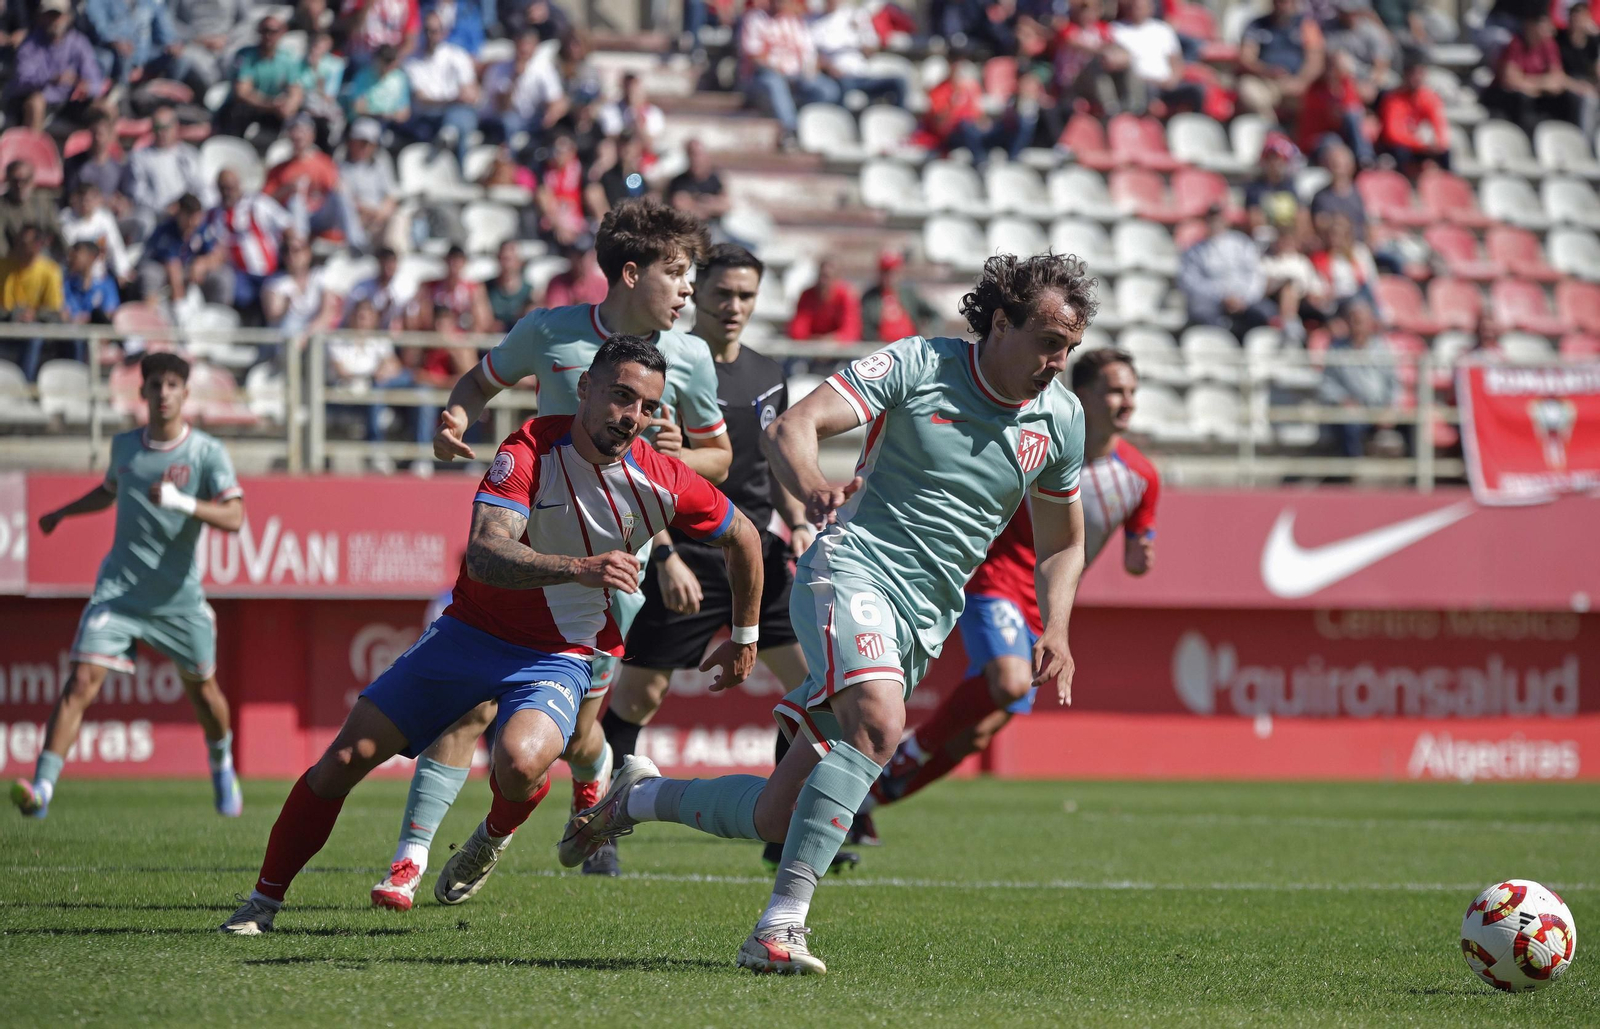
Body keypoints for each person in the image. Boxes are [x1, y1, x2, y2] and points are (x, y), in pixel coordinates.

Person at [559, 252, 1094, 975]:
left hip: (923, 618)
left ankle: (637, 798)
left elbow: (1064, 540)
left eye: (1071, 348)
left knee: (778, 813)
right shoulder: (921, 362)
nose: (1060, 362)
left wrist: (1056, 625)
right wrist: (812, 486)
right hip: (852, 568)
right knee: (879, 722)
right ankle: (779, 927)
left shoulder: (1061, 417)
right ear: (1002, 323)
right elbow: (796, 427)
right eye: (1050, 342)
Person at [222, 336, 764, 934]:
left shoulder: (663, 477)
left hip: (561, 652)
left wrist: (744, 636)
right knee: (345, 759)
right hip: (471, 632)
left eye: (646, 406)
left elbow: (745, 538)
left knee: (521, 761)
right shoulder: (530, 445)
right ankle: (263, 902)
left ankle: (490, 837)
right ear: (586, 389)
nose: (631, 415)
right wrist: (580, 569)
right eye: (620, 396)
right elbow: (485, 552)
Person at [366, 199, 733, 912]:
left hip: (605, 579)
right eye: (679, 274)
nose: (691, 291)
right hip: (520, 553)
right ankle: (410, 857)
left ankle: (592, 784)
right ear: (631, 273)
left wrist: (687, 456)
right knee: (467, 706)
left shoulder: (686, 358)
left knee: (578, 731)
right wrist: (454, 418)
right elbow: (478, 381)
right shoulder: (550, 332)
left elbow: (718, 456)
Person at [591, 243, 859, 878]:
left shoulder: (767, 372)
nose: (734, 306)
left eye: (746, 295)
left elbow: (773, 458)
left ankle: (784, 827)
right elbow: (639, 467)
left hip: (759, 550)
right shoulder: (667, 368)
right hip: (687, 547)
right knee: (639, 698)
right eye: (721, 294)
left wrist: (795, 524)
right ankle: (599, 821)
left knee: (812, 692)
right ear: (696, 296)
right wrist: (662, 555)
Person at [849, 347, 1157, 845]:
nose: (1126, 402)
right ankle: (895, 758)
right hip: (994, 579)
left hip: (1042, 605)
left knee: (978, 731)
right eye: (1114, 391)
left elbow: (1137, 546)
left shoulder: (1142, 477)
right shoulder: (1042, 442)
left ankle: (864, 804)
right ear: (1084, 396)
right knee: (1010, 682)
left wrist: (1141, 558)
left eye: (1131, 392)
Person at [15, 353, 245, 821]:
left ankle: (222, 764)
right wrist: (62, 512)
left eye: (173, 384)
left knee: (204, 695)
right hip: (118, 593)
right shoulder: (124, 448)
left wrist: (183, 501)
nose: (163, 393)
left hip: (178, 600)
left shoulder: (205, 452)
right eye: (155, 384)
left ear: (185, 393)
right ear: (142, 393)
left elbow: (235, 516)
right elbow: (110, 489)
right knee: (80, 682)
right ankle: (41, 790)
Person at [740, 0, 843, 147]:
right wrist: (779, 70)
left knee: (828, 90)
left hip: (796, 77)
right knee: (774, 83)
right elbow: (754, 56)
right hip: (764, 76)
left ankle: (798, 116)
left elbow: (809, 54)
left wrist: (810, 70)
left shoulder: (795, 21)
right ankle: (791, 130)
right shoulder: (756, 18)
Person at [264, 113, 365, 250]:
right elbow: (263, 202)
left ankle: (357, 244)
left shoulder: (323, 162)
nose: (299, 136)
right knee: (295, 200)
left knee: (342, 194)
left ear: (312, 135)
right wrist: (286, 190)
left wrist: (339, 187)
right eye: (295, 131)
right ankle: (299, 248)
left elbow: (336, 189)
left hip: (321, 215)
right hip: (293, 218)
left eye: (303, 131)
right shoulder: (279, 169)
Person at [7, 0, 107, 135]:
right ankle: (34, 151)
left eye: (57, 15)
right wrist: (51, 79)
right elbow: (21, 79)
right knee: (36, 103)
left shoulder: (79, 43)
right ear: (41, 17)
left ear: (68, 17)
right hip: (43, 102)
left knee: (106, 109)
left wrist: (85, 86)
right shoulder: (30, 45)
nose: (54, 21)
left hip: (70, 103)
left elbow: (96, 81)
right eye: (49, 15)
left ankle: (104, 155)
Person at [206, 168, 294, 317]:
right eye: (223, 188)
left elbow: (287, 226)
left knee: (275, 299)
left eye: (230, 187)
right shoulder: (214, 215)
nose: (227, 192)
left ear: (238, 185)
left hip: (268, 273)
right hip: (240, 276)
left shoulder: (258, 203)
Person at [1177, 204, 1274, 339]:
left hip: (1244, 300)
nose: (1215, 223)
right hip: (1213, 303)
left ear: (1226, 220)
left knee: (1267, 312)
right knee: (1200, 313)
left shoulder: (1242, 243)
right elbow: (1190, 283)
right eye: (1212, 219)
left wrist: (1244, 299)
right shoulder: (1194, 251)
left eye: (1219, 219)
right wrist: (1222, 296)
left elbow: (1256, 275)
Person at [1318, 298, 1400, 458]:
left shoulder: (1382, 348)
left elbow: (1394, 383)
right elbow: (1326, 384)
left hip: (1380, 410)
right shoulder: (1335, 349)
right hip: (1352, 412)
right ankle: (1354, 474)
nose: (1358, 325)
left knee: (1415, 424)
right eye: (1354, 320)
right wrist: (1343, 399)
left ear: (1370, 322)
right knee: (1348, 426)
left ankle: (1418, 478)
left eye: (1361, 321)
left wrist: (1390, 408)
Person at [1482, 13, 1585, 135]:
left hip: (1536, 94)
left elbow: (1556, 80)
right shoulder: (1515, 44)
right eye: (1544, 25)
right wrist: (1541, 83)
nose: (1550, 29)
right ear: (1530, 26)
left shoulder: (1549, 45)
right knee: (1523, 99)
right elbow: (1511, 81)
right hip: (1507, 97)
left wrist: (1532, 84)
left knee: (1569, 99)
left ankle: (1571, 137)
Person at [402, 10, 480, 163]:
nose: (430, 36)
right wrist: (452, 99)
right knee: (458, 119)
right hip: (426, 117)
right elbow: (421, 98)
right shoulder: (411, 62)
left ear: (444, 33)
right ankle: (453, 148)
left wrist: (459, 98)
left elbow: (470, 91)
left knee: (461, 117)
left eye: (435, 31)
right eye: (427, 31)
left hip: (455, 111)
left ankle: (451, 140)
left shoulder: (457, 55)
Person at [122, 106, 209, 241]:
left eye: (165, 128)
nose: (161, 133)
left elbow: (202, 187)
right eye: (157, 128)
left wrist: (189, 209)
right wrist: (164, 209)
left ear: (176, 127)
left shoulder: (189, 155)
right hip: (158, 219)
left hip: (189, 218)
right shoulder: (139, 157)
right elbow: (138, 194)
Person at [220, 16, 306, 145]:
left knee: (302, 119)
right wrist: (270, 104)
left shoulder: (287, 58)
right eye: (265, 31)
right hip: (250, 108)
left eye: (274, 31)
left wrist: (289, 106)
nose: (268, 35)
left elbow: (296, 90)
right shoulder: (246, 56)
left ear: (282, 33)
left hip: (273, 109)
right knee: (239, 111)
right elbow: (242, 93)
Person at [809, 0, 909, 108]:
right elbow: (813, 55)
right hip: (839, 78)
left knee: (899, 83)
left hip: (862, 75)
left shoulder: (853, 16)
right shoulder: (813, 22)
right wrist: (830, 67)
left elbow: (871, 50)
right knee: (841, 89)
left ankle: (900, 122)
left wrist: (861, 31)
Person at [1236, 0, 1326, 119]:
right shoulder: (1257, 25)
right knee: (1248, 90)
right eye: (1278, 1)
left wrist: (1301, 81)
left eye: (1285, 1)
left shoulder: (1307, 24)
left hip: (1296, 82)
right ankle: (1272, 129)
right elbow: (1246, 59)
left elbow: (1315, 60)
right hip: (1265, 81)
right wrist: (1266, 71)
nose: (1281, 4)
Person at [137, 193, 231, 307]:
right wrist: (180, 306)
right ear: (180, 214)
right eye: (189, 217)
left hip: (188, 270)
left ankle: (219, 317)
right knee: (150, 275)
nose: (192, 222)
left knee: (223, 275)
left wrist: (203, 263)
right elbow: (172, 268)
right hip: (163, 270)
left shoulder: (201, 228)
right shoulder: (165, 231)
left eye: (196, 217)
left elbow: (217, 255)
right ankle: (149, 315)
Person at [1112, 0, 1205, 113]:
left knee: (1197, 91)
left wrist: (1173, 80)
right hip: (1141, 85)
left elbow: (1176, 60)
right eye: (1134, 7)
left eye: (1141, 7)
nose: (1137, 10)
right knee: (1146, 92)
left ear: (1150, 9)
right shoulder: (1116, 30)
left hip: (1167, 85)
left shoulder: (1163, 29)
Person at [478, 27, 565, 147]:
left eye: (528, 44)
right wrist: (515, 78)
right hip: (500, 120)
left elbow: (556, 101)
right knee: (509, 122)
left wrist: (550, 117)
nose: (524, 49)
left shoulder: (544, 69)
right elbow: (502, 107)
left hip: (534, 119)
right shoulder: (500, 69)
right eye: (521, 44)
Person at [0, 224, 66, 378]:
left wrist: (34, 314)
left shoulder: (51, 270)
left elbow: (54, 310)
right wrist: (15, 314)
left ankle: (25, 388)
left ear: (38, 245)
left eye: (24, 243)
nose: (19, 247)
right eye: (18, 242)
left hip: (37, 329)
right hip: (6, 323)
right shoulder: (2, 266)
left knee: (34, 336)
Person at [1377, 49, 1451, 175]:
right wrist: (1421, 145)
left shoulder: (1429, 97)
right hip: (1401, 147)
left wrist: (1438, 144)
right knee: (1400, 152)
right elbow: (1393, 134)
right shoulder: (1393, 99)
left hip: (1420, 146)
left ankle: (1448, 187)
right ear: (1406, 75)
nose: (1417, 78)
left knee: (1446, 154)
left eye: (1420, 73)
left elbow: (1439, 125)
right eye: (1414, 74)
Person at [262, 231, 337, 334]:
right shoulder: (275, 282)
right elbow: (273, 315)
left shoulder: (321, 276)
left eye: (296, 250)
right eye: (286, 251)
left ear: (308, 253)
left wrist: (307, 334)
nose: (291, 255)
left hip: (313, 336)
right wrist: (285, 307)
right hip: (284, 339)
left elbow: (327, 313)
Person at [861, 249, 937, 342]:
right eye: (885, 272)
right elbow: (866, 329)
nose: (889, 277)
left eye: (893, 272)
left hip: (910, 348)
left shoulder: (909, 295)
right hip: (882, 350)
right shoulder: (869, 298)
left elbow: (935, 314)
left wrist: (929, 331)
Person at [1244, 132, 1306, 238]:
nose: (1275, 164)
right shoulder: (1254, 188)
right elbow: (1254, 221)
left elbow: (1301, 216)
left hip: (1289, 238)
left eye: (1279, 159)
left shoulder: (1290, 186)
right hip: (1266, 240)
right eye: (1270, 159)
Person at [339, 42, 411, 130]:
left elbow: (404, 112)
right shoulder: (363, 76)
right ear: (377, 60)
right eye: (385, 63)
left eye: (391, 64)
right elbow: (358, 108)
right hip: (365, 121)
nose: (387, 68)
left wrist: (392, 116)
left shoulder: (400, 78)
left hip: (391, 125)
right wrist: (380, 115)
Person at [787, 259, 862, 342]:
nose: (823, 281)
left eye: (827, 277)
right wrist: (816, 341)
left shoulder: (847, 296)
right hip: (811, 348)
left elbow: (851, 331)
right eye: (821, 276)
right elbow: (798, 329)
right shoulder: (807, 295)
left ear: (837, 278)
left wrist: (832, 340)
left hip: (840, 351)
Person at [0, 160, 61, 260]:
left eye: (25, 180)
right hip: (14, 260)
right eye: (15, 181)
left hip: (43, 258)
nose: (19, 185)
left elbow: (56, 231)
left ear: (32, 180)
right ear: (8, 180)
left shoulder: (43, 201)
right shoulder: (2, 205)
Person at [64, 111, 126, 202]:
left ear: (110, 136)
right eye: (94, 133)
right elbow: (70, 196)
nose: (97, 138)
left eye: (101, 134)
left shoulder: (117, 168)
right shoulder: (75, 164)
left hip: (107, 214)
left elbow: (121, 198)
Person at [63, 239, 119, 323]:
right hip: (72, 332)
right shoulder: (67, 284)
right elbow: (64, 312)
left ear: (91, 257)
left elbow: (109, 312)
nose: (72, 260)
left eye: (77, 256)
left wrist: (87, 318)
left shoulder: (106, 284)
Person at [486, 239, 532, 330]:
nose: (507, 265)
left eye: (510, 259)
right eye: (503, 259)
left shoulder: (530, 292)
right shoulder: (486, 289)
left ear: (520, 262)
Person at [542, 246, 608, 308]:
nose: (582, 262)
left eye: (586, 257)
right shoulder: (558, 284)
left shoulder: (602, 285)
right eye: (578, 257)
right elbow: (555, 315)